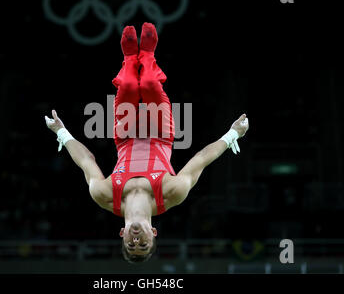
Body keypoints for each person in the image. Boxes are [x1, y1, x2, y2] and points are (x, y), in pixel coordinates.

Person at [45, 22, 249, 263]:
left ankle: (130, 56)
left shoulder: (105, 195)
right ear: (154, 233)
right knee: (150, 83)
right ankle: (148, 54)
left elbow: (86, 161)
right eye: (143, 245)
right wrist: (232, 135)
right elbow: (201, 159)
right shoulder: (172, 193)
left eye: (131, 246)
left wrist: (62, 132)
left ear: (121, 234)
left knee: (131, 84)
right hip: (160, 132)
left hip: (125, 135)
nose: (136, 240)